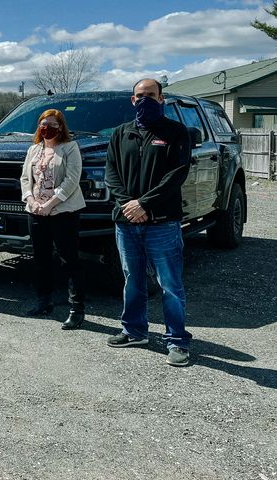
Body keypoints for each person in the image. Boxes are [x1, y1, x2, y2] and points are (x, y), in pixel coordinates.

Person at [104, 78, 193, 367]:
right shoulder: (120, 133)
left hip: (162, 222)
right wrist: (128, 204)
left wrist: (145, 203)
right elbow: (111, 173)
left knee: (170, 284)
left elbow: (177, 174)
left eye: (151, 95)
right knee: (132, 278)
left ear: (161, 98)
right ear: (132, 100)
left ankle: (177, 341)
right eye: (140, 96)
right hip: (126, 222)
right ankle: (134, 331)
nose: (145, 100)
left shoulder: (175, 132)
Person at [20, 109, 86, 329]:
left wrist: (50, 204)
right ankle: (44, 300)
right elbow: (24, 178)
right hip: (36, 211)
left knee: (69, 260)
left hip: (63, 212)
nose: (46, 127)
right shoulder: (33, 149)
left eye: (51, 124)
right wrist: (31, 200)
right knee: (41, 258)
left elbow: (72, 180)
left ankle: (76, 309)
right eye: (42, 124)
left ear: (60, 127)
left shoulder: (70, 148)